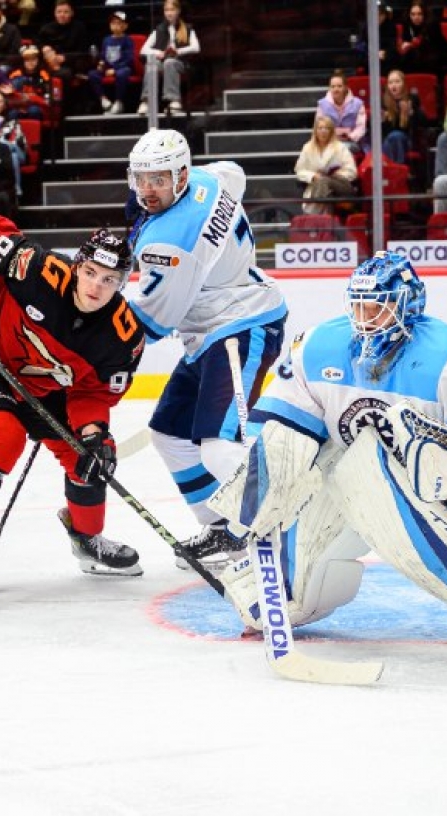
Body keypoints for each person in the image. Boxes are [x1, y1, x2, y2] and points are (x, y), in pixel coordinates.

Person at [207, 251, 447, 664]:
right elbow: (282, 425)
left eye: (378, 306)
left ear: (408, 304)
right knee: (291, 469)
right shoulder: (318, 346)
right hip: (342, 474)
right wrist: (263, 493)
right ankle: (283, 591)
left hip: (421, 487)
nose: (366, 317)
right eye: (359, 305)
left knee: (368, 468)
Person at [0, 217, 145, 589]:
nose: (96, 286)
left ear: (123, 283)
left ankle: (86, 538)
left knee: (88, 457)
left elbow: (91, 394)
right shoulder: (35, 268)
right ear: (77, 266)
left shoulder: (121, 337)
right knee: (3, 438)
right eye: (91, 272)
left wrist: (95, 435)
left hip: (39, 387)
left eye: (110, 280)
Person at [125, 129, 287, 571]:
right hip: (211, 333)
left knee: (219, 447)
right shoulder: (210, 179)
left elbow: (154, 323)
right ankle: (221, 529)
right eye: (141, 179)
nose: (147, 190)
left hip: (242, 325)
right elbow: (235, 175)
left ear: (179, 175)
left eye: (158, 180)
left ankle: (280, 528)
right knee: (170, 434)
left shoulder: (171, 241)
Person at [137, 0, 199, 115]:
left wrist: (178, 51)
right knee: (152, 64)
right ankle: (146, 100)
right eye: (167, 10)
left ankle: (174, 100)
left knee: (170, 62)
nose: (169, 13)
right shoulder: (159, 29)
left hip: (180, 63)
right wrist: (158, 52)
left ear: (178, 11)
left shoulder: (187, 28)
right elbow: (144, 49)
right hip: (163, 61)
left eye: (172, 10)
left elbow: (196, 47)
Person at [294, 115, 358, 216]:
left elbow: (352, 171)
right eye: (320, 128)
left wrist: (337, 175)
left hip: (338, 185)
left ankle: (316, 208)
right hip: (316, 186)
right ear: (315, 131)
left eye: (327, 128)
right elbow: (300, 170)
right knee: (322, 182)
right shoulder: (307, 147)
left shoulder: (340, 147)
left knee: (325, 181)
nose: (323, 131)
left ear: (331, 131)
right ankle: (321, 209)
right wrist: (313, 176)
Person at [315, 69, 368, 162]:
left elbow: (361, 127)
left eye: (339, 86)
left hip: (352, 142)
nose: (336, 89)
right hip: (330, 141)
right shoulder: (322, 104)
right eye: (333, 86)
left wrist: (350, 135)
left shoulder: (358, 104)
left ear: (345, 87)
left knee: (342, 149)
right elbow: (319, 127)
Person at [89, 10, 135, 116]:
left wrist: (114, 69)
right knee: (92, 74)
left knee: (123, 73)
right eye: (113, 23)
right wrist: (101, 63)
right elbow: (104, 55)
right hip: (107, 68)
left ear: (125, 26)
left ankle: (118, 101)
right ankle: (104, 100)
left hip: (121, 68)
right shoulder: (106, 40)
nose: (116, 26)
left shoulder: (127, 40)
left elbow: (129, 58)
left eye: (119, 23)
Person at [379, 69, 426, 167]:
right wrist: (382, 121)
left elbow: (421, 123)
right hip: (389, 140)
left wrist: (411, 113)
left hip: (408, 140)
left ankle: (392, 170)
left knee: (395, 136)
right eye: (390, 82)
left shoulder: (412, 99)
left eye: (397, 81)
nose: (393, 85)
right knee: (391, 138)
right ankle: (398, 170)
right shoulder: (383, 101)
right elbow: (382, 132)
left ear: (403, 84)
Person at [393, 2, 447, 76]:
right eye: (413, 14)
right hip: (414, 56)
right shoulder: (407, 24)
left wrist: (411, 44)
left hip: (434, 54)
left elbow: (434, 45)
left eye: (419, 14)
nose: (416, 17)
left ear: (425, 14)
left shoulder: (432, 24)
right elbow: (405, 41)